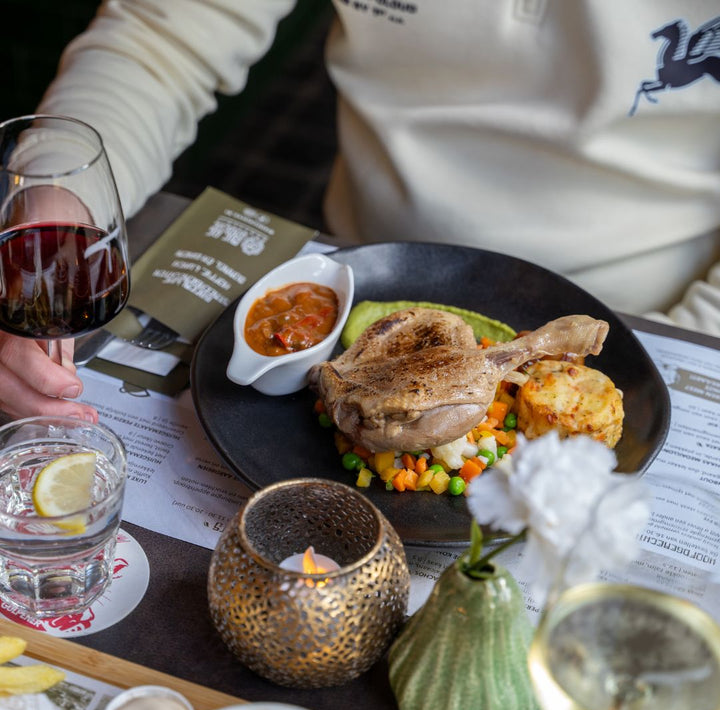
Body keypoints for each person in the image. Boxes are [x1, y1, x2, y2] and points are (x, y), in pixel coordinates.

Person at [2, 0, 719, 420]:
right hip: (358, 277)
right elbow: (165, 40)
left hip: (647, 326)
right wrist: (59, 205)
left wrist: (666, 381)